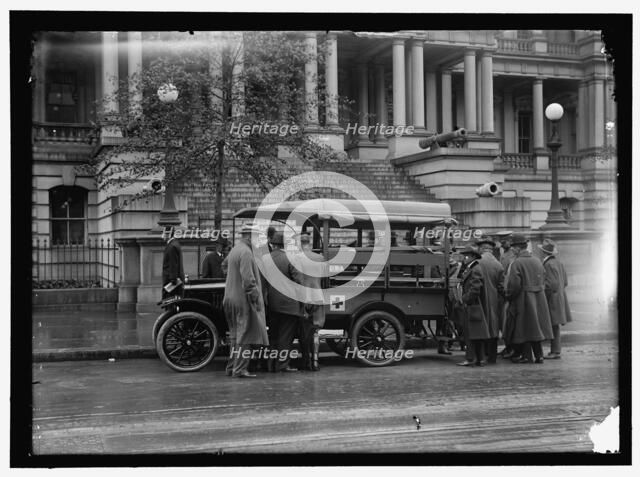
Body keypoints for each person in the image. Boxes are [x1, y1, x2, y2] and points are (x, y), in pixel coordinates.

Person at [222, 223, 269, 378]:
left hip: (229, 297)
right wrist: (256, 298)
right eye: (256, 237)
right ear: (250, 236)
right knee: (246, 334)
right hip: (242, 300)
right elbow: (248, 280)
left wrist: (232, 279)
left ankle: (231, 367)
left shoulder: (235, 249)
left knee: (235, 336)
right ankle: (240, 369)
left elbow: (224, 265)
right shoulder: (247, 252)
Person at [504, 233, 553, 364]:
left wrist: (509, 296)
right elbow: (544, 277)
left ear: (518, 248)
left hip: (523, 298)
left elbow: (514, 285)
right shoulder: (537, 260)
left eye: (513, 248)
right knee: (535, 327)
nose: (512, 250)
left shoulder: (517, 262)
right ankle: (539, 355)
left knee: (524, 328)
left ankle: (527, 356)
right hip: (538, 298)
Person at [266, 232, 302, 372]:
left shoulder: (265, 259)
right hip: (289, 305)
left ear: (273, 244)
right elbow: (299, 281)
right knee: (286, 337)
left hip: (271, 304)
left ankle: (271, 365)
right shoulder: (290, 259)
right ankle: (283, 365)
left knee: (273, 336)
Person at [292, 232, 327, 371]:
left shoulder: (297, 258)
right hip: (318, 296)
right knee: (316, 331)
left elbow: (295, 278)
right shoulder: (320, 258)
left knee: (304, 332)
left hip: (304, 299)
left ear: (300, 244)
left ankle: (306, 361)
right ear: (309, 243)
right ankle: (316, 361)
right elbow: (324, 278)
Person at [455, 246, 492, 367]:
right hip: (473, 305)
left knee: (472, 334)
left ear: (472, 257)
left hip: (473, 305)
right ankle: (478, 359)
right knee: (475, 334)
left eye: (466, 256)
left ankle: (472, 358)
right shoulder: (471, 268)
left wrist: (465, 299)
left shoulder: (475, 269)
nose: (464, 258)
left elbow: (475, 288)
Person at [538, 238, 572, 359]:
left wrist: (542, 293)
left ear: (544, 253)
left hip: (551, 298)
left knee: (553, 325)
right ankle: (555, 350)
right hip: (559, 297)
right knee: (555, 325)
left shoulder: (548, 264)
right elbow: (565, 282)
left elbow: (550, 284)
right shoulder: (559, 263)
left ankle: (555, 351)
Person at [476, 236, 505, 364]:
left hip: (479, 299)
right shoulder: (498, 264)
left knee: (480, 326)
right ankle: (492, 356)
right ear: (491, 250)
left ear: (481, 249)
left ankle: (481, 356)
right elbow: (501, 286)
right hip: (495, 300)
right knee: (493, 327)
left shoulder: (477, 263)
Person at [162, 228, 185, 298]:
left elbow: (173, 264)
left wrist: (173, 280)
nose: (162, 236)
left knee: (171, 301)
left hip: (171, 281)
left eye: (163, 233)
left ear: (168, 235)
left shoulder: (172, 246)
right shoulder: (174, 244)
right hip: (173, 279)